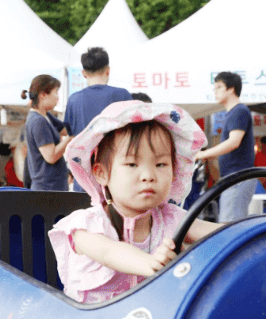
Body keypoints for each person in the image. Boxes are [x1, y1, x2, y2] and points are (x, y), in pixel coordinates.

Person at [48, 101, 219, 304]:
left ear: (174, 172)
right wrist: (150, 262)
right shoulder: (86, 226)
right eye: (132, 164)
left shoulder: (171, 218)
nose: (148, 175)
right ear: (101, 173)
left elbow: (220, 232)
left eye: (161, 164)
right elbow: (108, 252)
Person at [65, 47, 133, 191]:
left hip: (84, 177)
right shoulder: (123, 96)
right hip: (116, 174)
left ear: (84, 74)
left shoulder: (74, 100)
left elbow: (70, 133)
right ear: (108, 70)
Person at [195, 72, 256, 222]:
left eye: (219, 87)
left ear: (231, 88)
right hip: (235, 177)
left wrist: (203, 154)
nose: (215, 91)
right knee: (230, 223)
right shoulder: (234, 112)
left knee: (229, 225)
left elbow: (234, 142)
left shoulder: (239, 111)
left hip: (238, 177)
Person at [22, 75, 70, 191]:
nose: (57, 97)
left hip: (54, 185)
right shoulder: (38, 121)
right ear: (43, 95)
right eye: (56, 92)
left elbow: (65, 130)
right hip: (47, 189)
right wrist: (71, 138)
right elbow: (51, 156)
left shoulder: (45, 115)